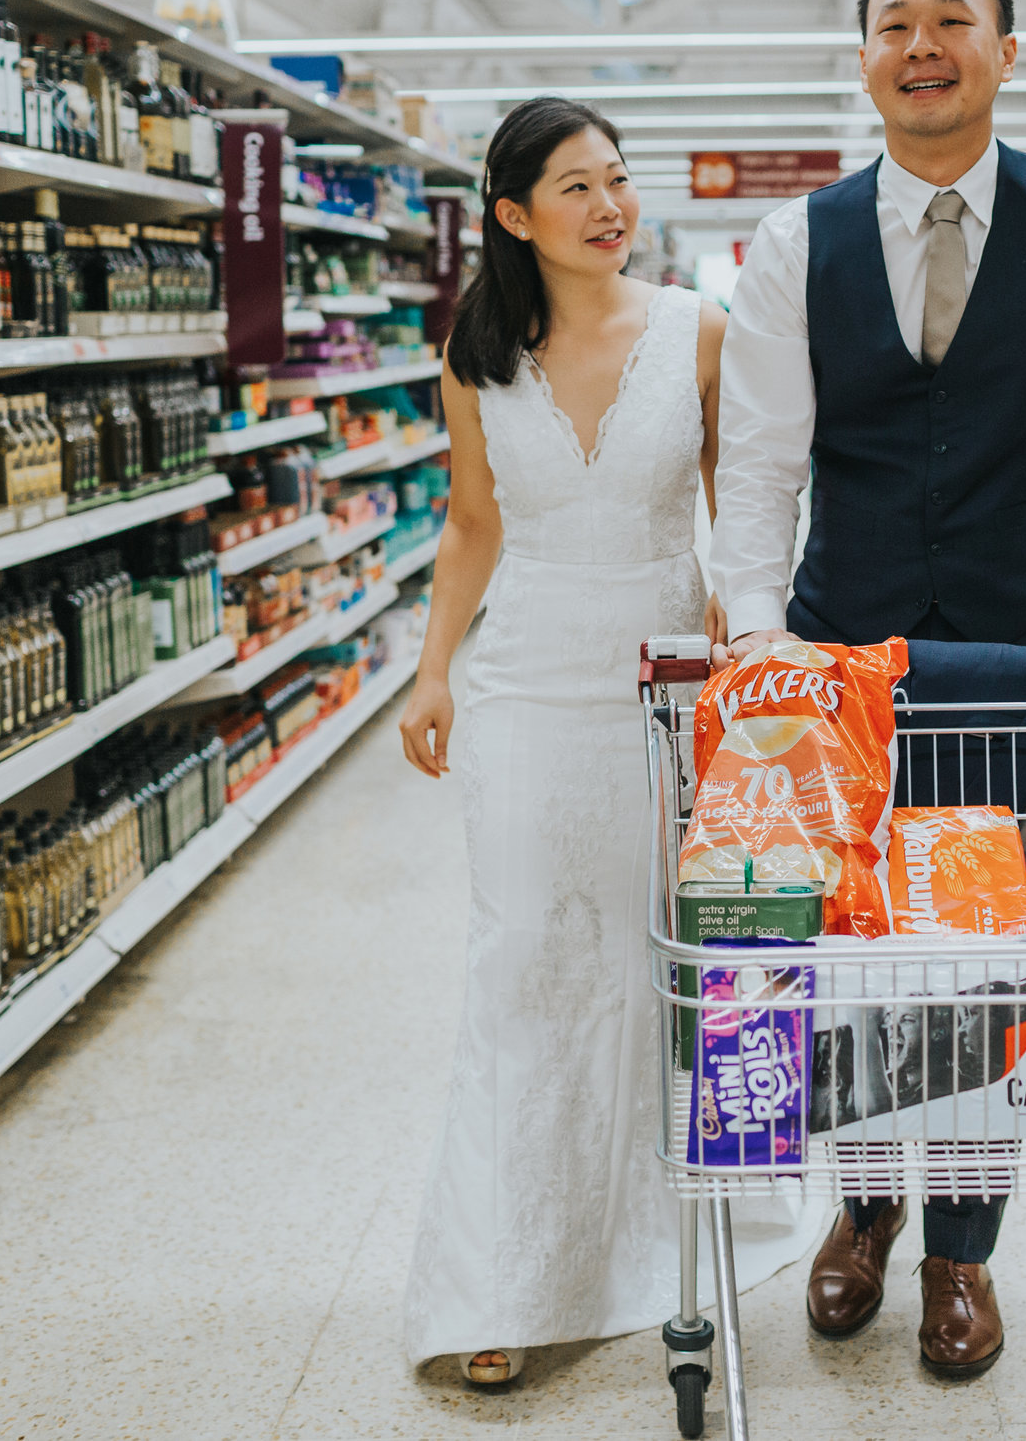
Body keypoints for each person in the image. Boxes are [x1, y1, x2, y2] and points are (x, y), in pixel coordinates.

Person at [709, 0, 1026, 1380]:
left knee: (995, 952)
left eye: (953, 20)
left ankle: (961, 1251)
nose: (924, 44)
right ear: (863, 60)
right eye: (895, 23)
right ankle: (865, 1207)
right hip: (846, 659)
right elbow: (764, 454)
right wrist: (755, 641)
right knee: (856, 943)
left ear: (1005, 52)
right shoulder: (798, 241)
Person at [394, 97, 815, 1388]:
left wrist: (762, 645)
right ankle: (503, 1279)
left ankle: (660, 1232)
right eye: (575, 188)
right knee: (522, 962)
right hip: (526, 683)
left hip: (666, 683)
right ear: (515, 216)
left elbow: (738, 505)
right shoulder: (475, 352)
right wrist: (432, 673)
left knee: (657, 966)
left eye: (618, 181)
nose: (608, 206)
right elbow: (472, 524)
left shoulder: (699, 328)